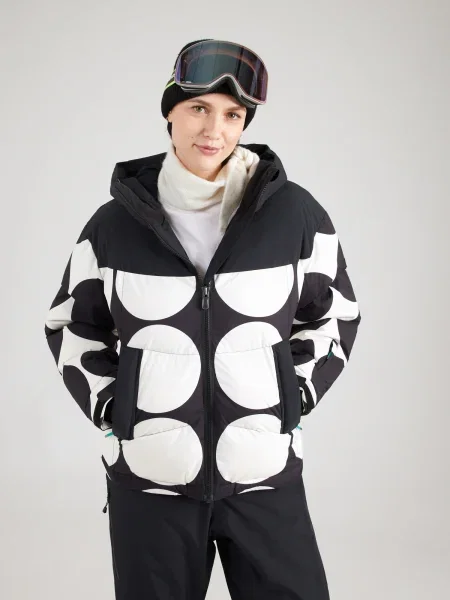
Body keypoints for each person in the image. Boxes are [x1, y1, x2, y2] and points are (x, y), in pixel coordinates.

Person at [44, 39, 361, 599]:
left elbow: (333, 314)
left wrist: (290, 396)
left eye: (233, 115)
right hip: (151, 480)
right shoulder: (113, 226)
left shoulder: (295, 215)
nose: (214, 130)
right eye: (198, 108)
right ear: (170, 112)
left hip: (262, 475)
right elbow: (73, 324)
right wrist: (117, 406)